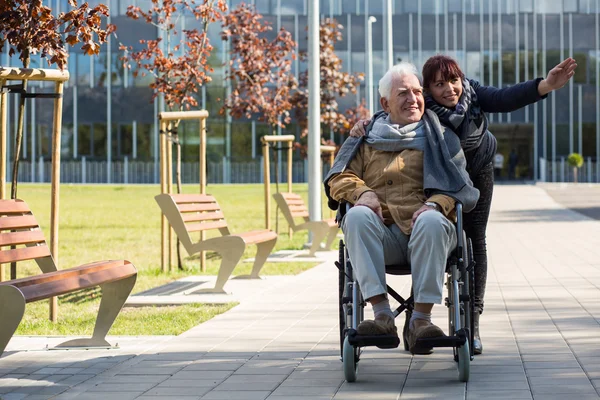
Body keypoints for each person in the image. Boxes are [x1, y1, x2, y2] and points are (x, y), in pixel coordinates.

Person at [349, 55, 576, 355]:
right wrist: (368, 122)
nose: (449, 89)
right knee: (416, 223)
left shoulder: (468, 98)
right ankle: (397, 319)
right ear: (428, 90)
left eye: (453, 80)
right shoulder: (421, 109)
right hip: (428, 190)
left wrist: (545, 85)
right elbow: (391, 113)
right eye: (439, 84)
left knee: (470, 237)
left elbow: (506, 97)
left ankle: (462, 322)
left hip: (474, 169)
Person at [324, 62, 479, 355]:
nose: (413, 99)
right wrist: (363, 193)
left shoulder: (442, 137)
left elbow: (462, 186)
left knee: (432, 221)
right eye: (403, 93)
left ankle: (421, 320)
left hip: (429, 235)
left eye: (418, 92)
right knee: (355, 215)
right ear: (385, 103)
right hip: (383, 237)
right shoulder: (366, 137)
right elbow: (338, 176)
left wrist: (436, 203)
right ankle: (382, 316)